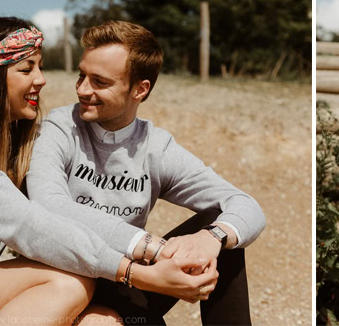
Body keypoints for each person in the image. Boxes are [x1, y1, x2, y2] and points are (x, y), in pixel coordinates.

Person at [0, 17, 217, 325]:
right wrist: (136, 272)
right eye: (26, 69)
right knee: (70, 283)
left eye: (39, 67)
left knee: (94, 310)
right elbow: (26, 224)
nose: (41, 80)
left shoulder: (9, 135)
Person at [25, 20, 265, 325]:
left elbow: (247, 206)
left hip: (132, 281)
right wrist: (151, 247)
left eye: (99, 81)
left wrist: (212, 238)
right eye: (81, 76)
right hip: (67, 278)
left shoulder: (156, 147)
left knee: (221, 230)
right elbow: (48, 205)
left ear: (140, 89)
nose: (83, 90)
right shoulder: (61, 127)